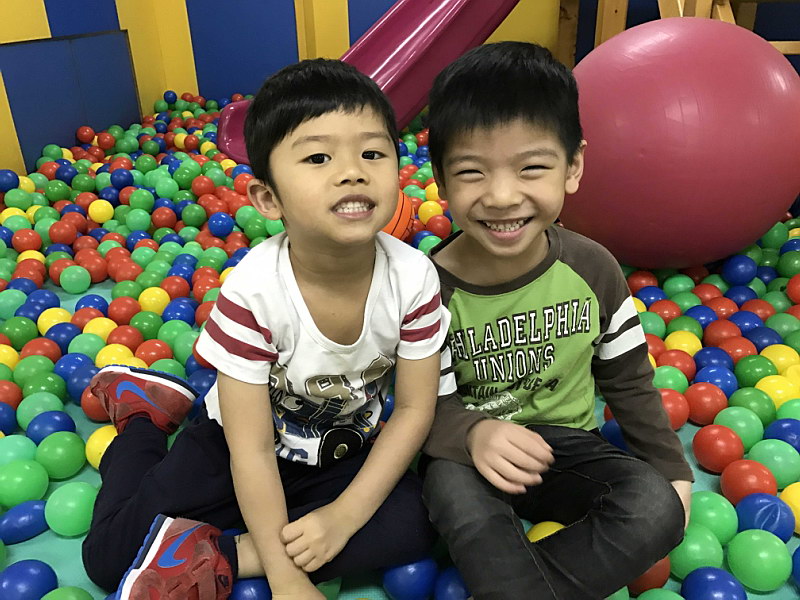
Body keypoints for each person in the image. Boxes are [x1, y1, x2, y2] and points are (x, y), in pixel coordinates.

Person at [82, 58, 452, 600]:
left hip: (340, 451)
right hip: (233, 447)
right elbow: (251, 449)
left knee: (424, 519)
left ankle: (229, 554)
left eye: (373, 153)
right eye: (319, 157)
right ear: (268, 199)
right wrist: (285, 575)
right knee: (108, 557)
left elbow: (416, 409)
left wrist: (342, 517)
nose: (352, 172)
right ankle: (142, 416)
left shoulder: (415, 277)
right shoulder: (254, 291)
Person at [420, 42, 693, 600]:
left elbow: (629, 380)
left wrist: (674, 473)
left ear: (573, 167)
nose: (502, 196)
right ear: (441, 182)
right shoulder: (424, 289)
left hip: (567, 450)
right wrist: (472, 433)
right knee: (449, 490)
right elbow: (419, 405)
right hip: (471, 456)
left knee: (655, 505)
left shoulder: (593, 269)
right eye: (471, 172)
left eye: (532, 168)